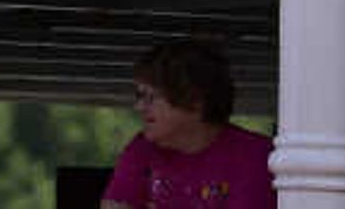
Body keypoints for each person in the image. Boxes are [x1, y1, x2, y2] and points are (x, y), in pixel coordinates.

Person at [102, 37, 274, 209]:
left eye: (150, 97)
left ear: (195, 100)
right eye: (139, 96)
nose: (138, 106)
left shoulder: (256, 157)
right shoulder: (142, 149)